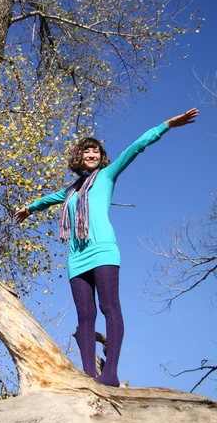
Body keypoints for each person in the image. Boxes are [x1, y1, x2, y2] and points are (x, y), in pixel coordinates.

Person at [15, 108, 199, 386]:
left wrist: (167, 125)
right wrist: (29, 208)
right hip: (77, 256)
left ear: (102, 157)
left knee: (108, 307)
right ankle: (89, 376)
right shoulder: (70, 192)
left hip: (103, 250)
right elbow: (46, 200)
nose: (92, 155)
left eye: (96, 152)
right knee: (84, 317)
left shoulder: (108, 175)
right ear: (79, 156)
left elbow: (136, 147)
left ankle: (109, 373)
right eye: (87, 151)